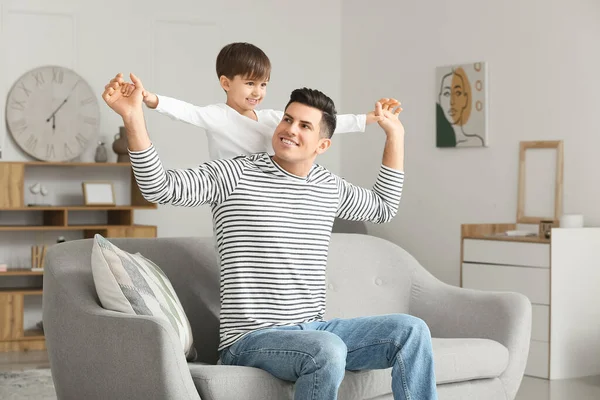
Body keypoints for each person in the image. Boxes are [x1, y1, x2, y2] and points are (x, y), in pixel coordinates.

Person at [102, 72, 438, 400]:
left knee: (411, 332)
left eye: (304, 125)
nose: (290, 130)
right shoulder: (236, 173)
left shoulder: (327, 186)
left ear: (322, 144)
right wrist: (133, 117)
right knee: (328, 349)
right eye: (288, 120)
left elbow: (382, 207)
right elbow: (159, 186)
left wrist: (395, 135)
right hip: (250, 339)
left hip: (315, 331)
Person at [116, 42, 397, 160]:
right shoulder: (218, 115)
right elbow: (185, 112)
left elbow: (324, 122)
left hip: (266, 192)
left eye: (263, 84)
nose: (257, 92)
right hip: (232, 195)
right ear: (226, 83)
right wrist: (150, 98)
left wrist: (370, 119)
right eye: (250, 83)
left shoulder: (273, 119)